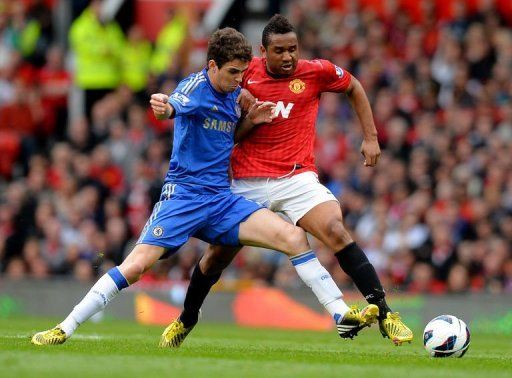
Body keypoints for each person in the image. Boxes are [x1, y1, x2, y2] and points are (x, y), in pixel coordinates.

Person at [31, 27, 378, 347]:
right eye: (232, 73)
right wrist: (163, 108)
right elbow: (172, 106)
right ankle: (64, 327)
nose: (239, 80)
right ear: (212, 66)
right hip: (184, 196)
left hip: (222, 198)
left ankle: (339, 314)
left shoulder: (235, 93)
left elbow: (233, 124)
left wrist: (251, 113)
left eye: (243, 73)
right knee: (136, 266)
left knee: (293, 237)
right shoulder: (195, 89)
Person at [172, 15, 413, 347]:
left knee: (335, 230)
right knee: (216, 256)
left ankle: (385, 314)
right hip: (246, 181)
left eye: (293, 49)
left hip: (297, 177)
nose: (288, 57)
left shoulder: (316, 71)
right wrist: (247, 113)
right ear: (263, 51)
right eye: (279, 50)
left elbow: (354, 86)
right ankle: (186, 319)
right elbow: (232, 133)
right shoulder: (243, 75)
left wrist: (370, 137)